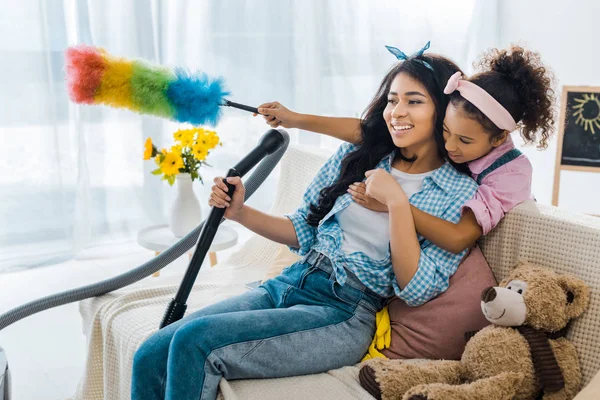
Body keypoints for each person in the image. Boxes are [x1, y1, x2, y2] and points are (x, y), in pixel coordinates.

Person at [131, 44, 478, 400]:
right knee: (150, 353)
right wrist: (240, 212)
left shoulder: (457, 191)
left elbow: (415, 288)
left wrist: (395, 203)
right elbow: (302, 230)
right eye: (392, 100)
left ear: (444, 111)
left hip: (343, 311)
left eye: (414, 101)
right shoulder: (359, 154)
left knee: (196, 343)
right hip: (292, 282)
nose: (397, 112)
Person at [257, 45, 555, 254]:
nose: (450, 146)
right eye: (446, 132)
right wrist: (294, 119)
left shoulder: (508, 174)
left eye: (464, 142)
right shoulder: (442, 130)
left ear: (498, 138)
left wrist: (393, 204)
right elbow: (369, 132)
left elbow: (457, 238)